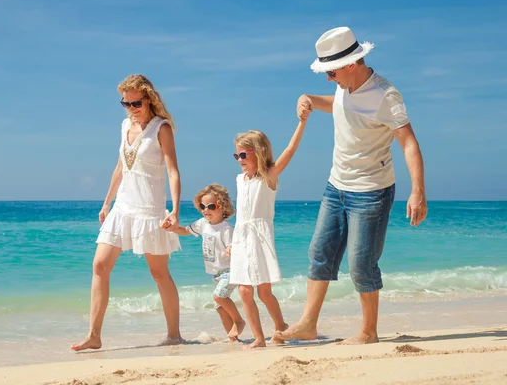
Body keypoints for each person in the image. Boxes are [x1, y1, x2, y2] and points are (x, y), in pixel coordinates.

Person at [275, 27, 428, 345]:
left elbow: (409, 143)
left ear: (350, 64)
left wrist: (418, 192)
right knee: (319, 252)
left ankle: (368, 332)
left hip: (371, 192)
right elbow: (340, 104)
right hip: (336, 186)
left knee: (361, 263)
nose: (329, 79)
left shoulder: (387, 96)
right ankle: (307, 323)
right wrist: (309, 100)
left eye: (331, 72)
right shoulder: (346, 87)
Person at [71, 74, 183, 351]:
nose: (131, 108)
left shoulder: (161, 128)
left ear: (149, 99)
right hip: (123, 207)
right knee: (99, 265)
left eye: (136, 103)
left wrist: (176, 210)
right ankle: (94, 336)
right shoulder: (125, 126)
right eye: (126, 103)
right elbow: (121, 166)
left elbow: (172, 171)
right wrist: (106, 203)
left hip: (150, 210)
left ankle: (174, 334)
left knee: (159, 273)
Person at [229, 112, 307, 349]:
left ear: (259, 152)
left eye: (244, 154)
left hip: (260, 238)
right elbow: (241, 214)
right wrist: (234, 241)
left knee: (263, 292)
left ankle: (281, 326)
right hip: (242, 238)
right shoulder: (240, 180)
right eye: (237, 155)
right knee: (244, 292)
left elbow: (291, 150)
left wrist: (302, 122)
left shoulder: (269, 176)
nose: (240, 159)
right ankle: (259, 338)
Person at [168, 184, 246, 342]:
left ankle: (239, 321)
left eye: (211, 206)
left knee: (218, 297)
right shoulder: (203, 223)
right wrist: (172, 228)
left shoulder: (226, 229)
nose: (206, 210)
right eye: (203, 206)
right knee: (220, 307)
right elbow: (185, 231)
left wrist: (232, 249)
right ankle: (233, 339)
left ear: (222, 207)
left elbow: (236, 247)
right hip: (216, 273)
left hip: (229, 271)